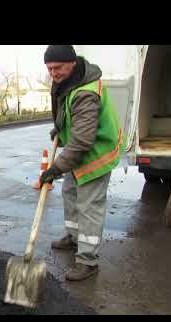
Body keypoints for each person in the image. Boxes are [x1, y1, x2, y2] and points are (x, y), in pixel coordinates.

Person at [40, 45, 124, 281]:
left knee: (89, 205)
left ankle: (88, 260)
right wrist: (58, 126)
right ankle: (74, 236)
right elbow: (64, 110)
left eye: (57, 67)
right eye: (49, 68)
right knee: (70, 193)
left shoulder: (86, 91)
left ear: (72, 62)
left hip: (96, 151)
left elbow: (81, 142)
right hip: (80, 151)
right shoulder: (67, 81)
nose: (53, 73)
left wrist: (55, 169)